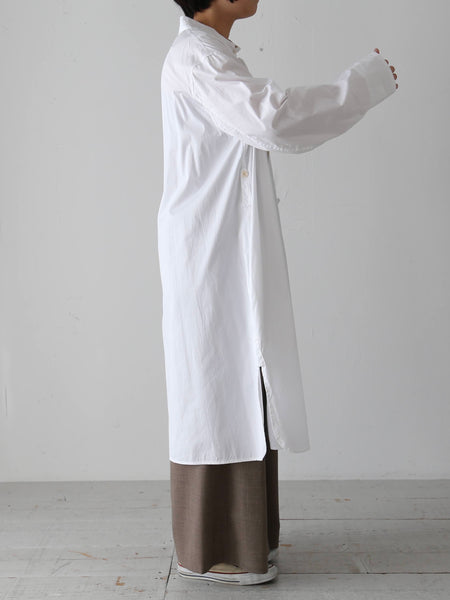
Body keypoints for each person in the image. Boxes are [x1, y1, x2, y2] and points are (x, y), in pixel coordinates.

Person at [158, 0, 398, 586]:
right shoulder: (198, 57)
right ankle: (214, 549)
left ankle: (243, 541)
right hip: (209, 251)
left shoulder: (211, 54)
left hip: (221, 245)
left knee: (237, 385)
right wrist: (362, 84)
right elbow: (274, 119)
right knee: (216, 392)